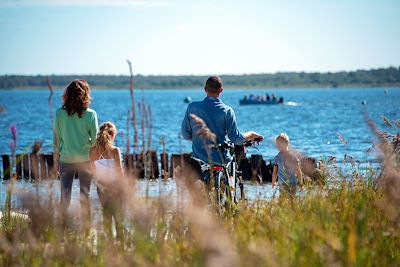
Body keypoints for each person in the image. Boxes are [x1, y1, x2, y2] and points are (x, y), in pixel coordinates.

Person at [181, 76, 263, 180]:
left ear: (205, 89)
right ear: (221, 90)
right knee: (230, 172)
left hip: (198, 161)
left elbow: (185, 134)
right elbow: (236, 139)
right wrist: (251, 134)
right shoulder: (227, 111)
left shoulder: (192, 107)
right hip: (220, 161)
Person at [53, 80, 98, 230]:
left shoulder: (59, 113)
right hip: (85, 160)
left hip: (66, 159)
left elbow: (56, 140)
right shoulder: (91, 114)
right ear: (85, 95)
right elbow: (95, 140)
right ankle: (86, 230)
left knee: (64, 197)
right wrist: (86, 145)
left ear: (67, 95)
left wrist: (55, 163)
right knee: (85, 196)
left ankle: (61, 229)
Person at [89, 122, 124, 239]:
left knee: (106, 212)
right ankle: (120, 238)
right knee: (118, 213)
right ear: (112, 135)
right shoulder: (115, 151)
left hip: (101, 187)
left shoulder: (92, 151)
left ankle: (108, 239)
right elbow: (119, 171)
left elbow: (93, 171)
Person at [271, 133, 303, 197]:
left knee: (283, 199)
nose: (278, 147)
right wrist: (301, 184)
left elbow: (275, 173)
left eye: (278, 145)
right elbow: (299, 172)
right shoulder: (294, 157)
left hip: (282, 183)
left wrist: (273, 182)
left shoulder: (277, 157)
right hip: (293, 182)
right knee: (292, 199)